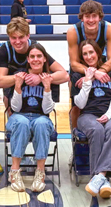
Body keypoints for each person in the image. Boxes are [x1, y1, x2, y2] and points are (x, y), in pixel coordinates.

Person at [6, 43, 68, 193]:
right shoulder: (19, 75)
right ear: (27, 59)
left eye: (39, 56)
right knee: (21, 122)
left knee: (41, 123)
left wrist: (47, 88)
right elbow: (15, 108)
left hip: (41, 116)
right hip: (19, 116)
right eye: (32, 56)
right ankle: (14, 171)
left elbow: (47, 109)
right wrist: (18, 87)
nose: (35, 59)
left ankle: (40, 172)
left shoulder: (50, 78)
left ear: (45, 59)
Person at [70, 40, 111, 199]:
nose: (88, 56)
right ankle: (103, 178)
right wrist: (87, 80)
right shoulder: (77, 75)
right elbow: (79, 104)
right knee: (97, 129)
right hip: (87, 116)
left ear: (98, 53)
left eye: (91, 52)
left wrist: (108, 114)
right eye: (85, 54)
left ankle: (99, 177)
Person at [67, 0, 111, 129]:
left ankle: (109, 122)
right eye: (87, 16)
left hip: (101, 64)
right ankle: (76, 137)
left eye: (94, 16)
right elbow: (74, 63)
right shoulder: (73, 31)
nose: (91, 20)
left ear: (99, 17)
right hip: (81, 67)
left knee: (109, 98)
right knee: (76, 105)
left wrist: (97, 72)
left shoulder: (110, 29)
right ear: (82, 18)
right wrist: (93, 73)